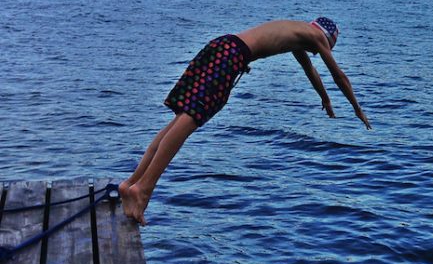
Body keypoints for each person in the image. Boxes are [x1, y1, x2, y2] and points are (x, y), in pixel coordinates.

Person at [120, 17, 371, 225]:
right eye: (323, 49)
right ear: (326, 38)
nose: (317, 53)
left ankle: (131, 183)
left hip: (222, 46)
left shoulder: (300, 33)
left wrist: (325, 100)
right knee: (191, 118)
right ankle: (144, 189)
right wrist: (357, 109)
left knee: (180, 120)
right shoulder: (316, 37)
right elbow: (339, 76)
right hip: (231, 56)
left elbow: (310, 71)